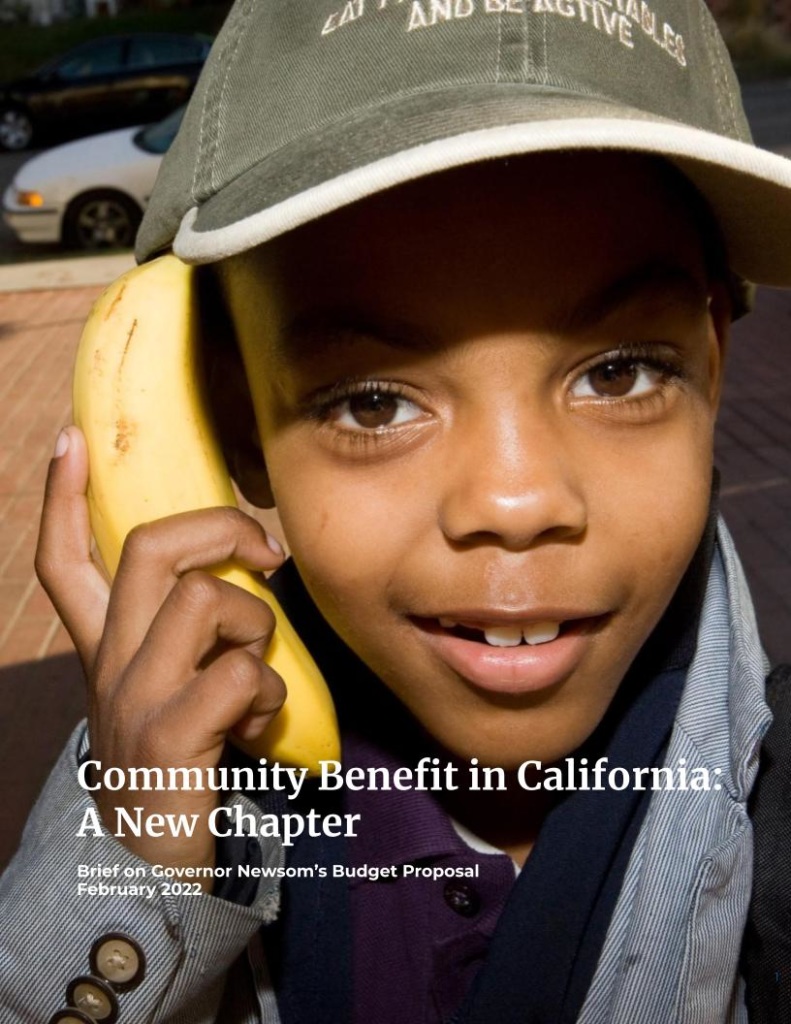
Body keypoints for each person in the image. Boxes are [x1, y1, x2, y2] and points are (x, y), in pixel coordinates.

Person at [2, 1, 791, 1021]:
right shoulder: (160, 820)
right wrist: (126, 875)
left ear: (712, 372)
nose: (514, 501)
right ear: (235, 424)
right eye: (372, 400)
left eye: (619, 371)